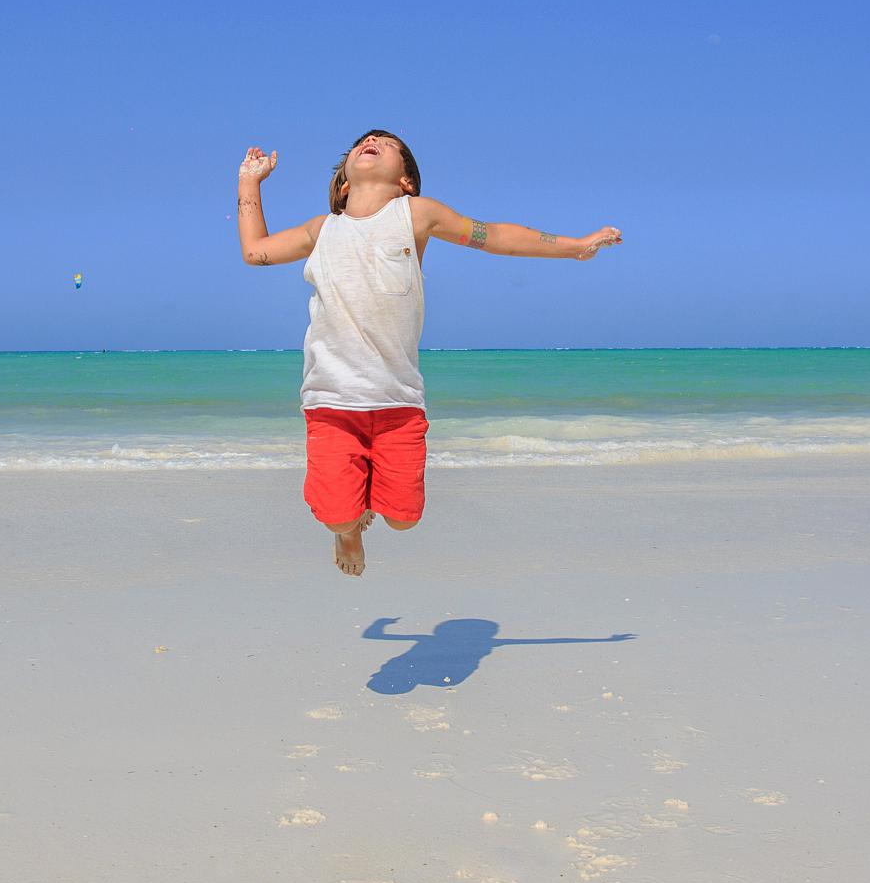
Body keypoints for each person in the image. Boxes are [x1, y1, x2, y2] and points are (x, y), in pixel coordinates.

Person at [236, 130, 621, 576]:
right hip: (331, 401)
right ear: (343, 183)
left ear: (406, 181)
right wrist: (250, 183)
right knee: (338, 515)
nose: (372, 141)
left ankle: (367, 510)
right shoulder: (322, 230)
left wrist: (575, 248)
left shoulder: (415, 215)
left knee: (404, 519)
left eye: (386, 142)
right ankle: (348, 531)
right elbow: (254, 251)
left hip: (399, 402)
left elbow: (494, 235)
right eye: (364, 141)